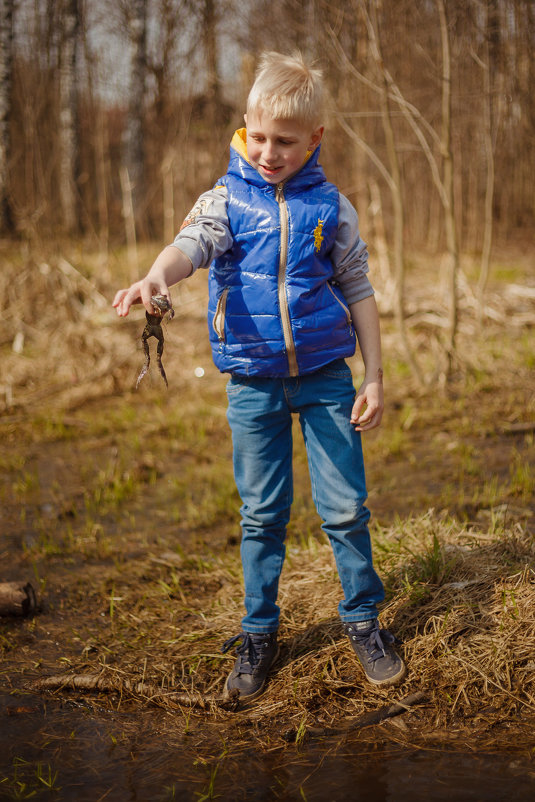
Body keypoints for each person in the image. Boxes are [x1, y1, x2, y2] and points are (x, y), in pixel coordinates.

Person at [113, 51, 406, 701]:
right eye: (259, 137)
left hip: (327, 378)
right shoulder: (223, 200)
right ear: (244, 127)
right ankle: (258, 633)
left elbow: (358, 290)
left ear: (315, 139)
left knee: (344, 510)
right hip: (251, 382)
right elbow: (190, 245)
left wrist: (375, 377)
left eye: (286, 141)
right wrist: (157, 277)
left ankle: (362, 621)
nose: (269, 153)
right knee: (261, 514)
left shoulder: (330, 207)